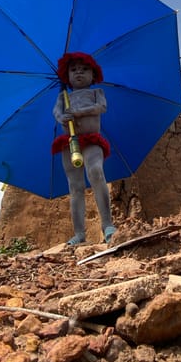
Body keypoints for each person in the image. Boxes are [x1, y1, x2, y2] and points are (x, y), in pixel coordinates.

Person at [52, 52, 116, 245]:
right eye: (74, 70)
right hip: (70, 142)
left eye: (84, 69)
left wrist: (79, 112)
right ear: (67, 75)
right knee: (75, 186)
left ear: (93, 74)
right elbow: (56, 111)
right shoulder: (64, 96)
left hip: (91, 140)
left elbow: (101, 107)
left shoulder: (97, 93)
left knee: (96, 171)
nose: (79, 72)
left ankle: (107, 225)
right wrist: (62, 117)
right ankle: (79, 233)